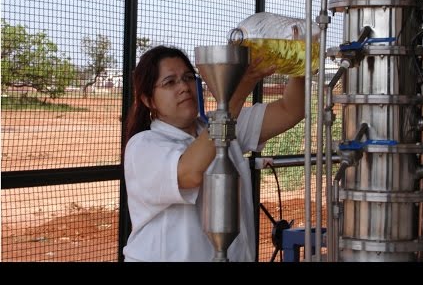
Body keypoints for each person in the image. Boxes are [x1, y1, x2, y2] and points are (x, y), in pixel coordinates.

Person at [122, 45, 305, 262]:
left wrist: (299, 60)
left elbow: (290, 110)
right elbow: (190, 173)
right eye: (170, 82)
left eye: (188, 78)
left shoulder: (220, 124)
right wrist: (240, 89)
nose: (184, 87)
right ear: (148, 100)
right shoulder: (143, 145)